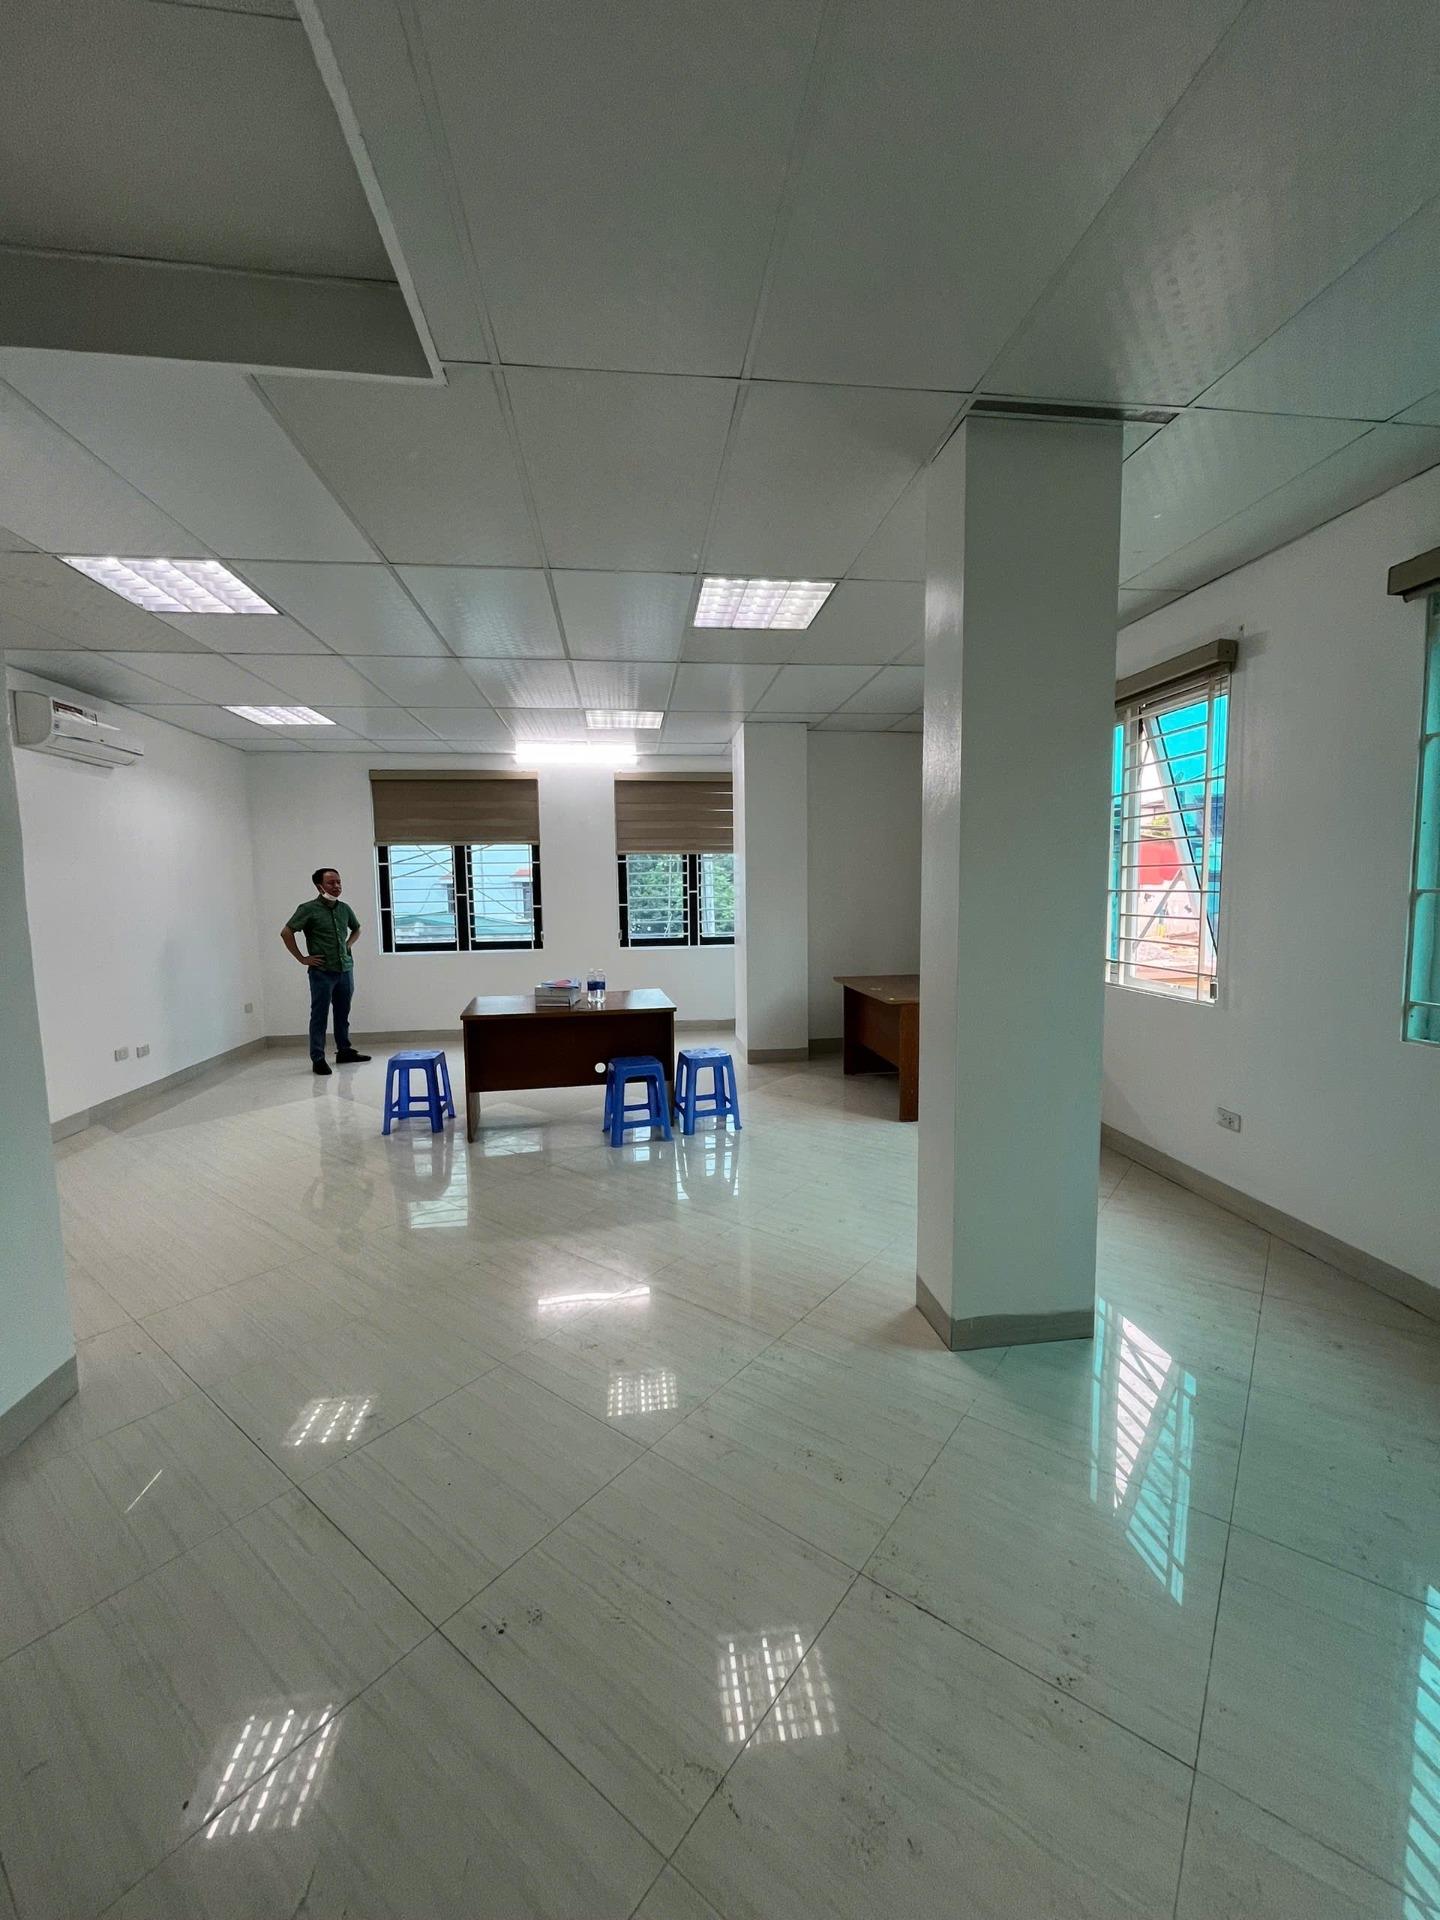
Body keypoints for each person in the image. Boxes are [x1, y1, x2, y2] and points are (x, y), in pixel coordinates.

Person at [281, 868, 372, 1076]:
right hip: (322, 972)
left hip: (345, 969)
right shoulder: (308, 909)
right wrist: (302, 958)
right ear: (319, 886)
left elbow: (357, 928)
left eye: (339, 882)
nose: (337, 886)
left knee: (343, 1013)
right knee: (319, 1015)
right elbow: (286, 932)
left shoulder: (344, 909)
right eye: (331, 883)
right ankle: (318, 1058)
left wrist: (348, 945)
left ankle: (344, 1051)